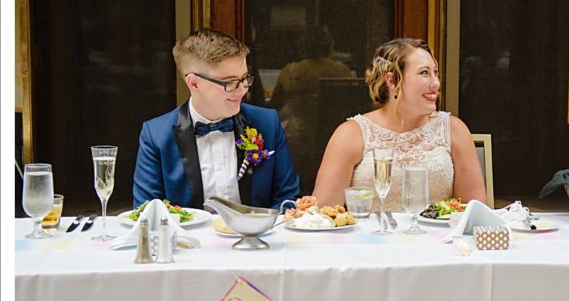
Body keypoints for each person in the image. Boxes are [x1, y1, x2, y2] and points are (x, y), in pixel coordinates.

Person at [133, 28, 300, 209]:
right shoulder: (156, 135)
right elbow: (146, 211)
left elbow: (287, 198)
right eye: (229, 82)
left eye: (245, 78)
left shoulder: (267, 123)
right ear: (194, 83)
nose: (243, 89)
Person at [312, 37, 487, 210]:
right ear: (392, 81)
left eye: (435, 72)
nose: (436, 83)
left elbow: (475, 211)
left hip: (436, 238)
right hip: (368, 237)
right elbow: (323, 212)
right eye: (424, 73)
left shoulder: (454, 130)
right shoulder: (351, 134)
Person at [269, 25, 354, 191]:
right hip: (332, 137)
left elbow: (275, 105)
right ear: (330, 45)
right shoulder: (341, 70)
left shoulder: (291, 71)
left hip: (298, 141)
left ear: (302, 46)